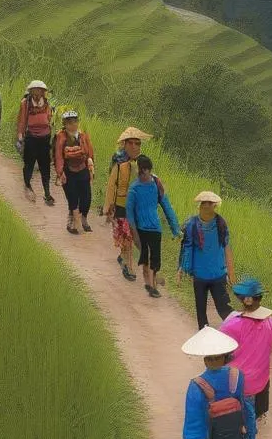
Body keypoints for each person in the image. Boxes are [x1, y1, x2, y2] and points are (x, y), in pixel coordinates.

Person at [219, 277, 272, 439]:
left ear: (241, 300)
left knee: (234, 414)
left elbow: (219, 347)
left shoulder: (232, 323)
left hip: (232, 379)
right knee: (250, 416)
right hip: (256, 383)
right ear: (259, 298)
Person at [178, 191, 235, 329]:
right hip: (200, 275)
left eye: (209, 204)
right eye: (203, 203)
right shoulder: (192, 224)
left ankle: (240, 332)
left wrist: (231, 274)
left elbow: (227, 248)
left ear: (214, 206)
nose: (205, 206)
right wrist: (181, 269)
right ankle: (203, 343)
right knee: (201, 311)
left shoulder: (221, 224)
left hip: (218, 274)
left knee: (224, 309)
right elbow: (187, 247)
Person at [125, 155, 180, 298]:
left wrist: (175, 229)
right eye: (140, 171)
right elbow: (129, 213)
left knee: (155, 258)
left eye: (144, 171)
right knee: (146, 255)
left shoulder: (156, 185)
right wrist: (133, 231)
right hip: (141, 228)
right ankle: (150, 284)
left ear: (148, 170)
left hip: (155, 228)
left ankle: (152, 283)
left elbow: (167, 207)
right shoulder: (134, 189)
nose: (142, 173)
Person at [104, 127, 151, 282]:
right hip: (120, 204)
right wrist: (108, 205)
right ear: (124, 144)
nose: (134, 146)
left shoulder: (143, 161)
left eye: (137, 143)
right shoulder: (118, 160)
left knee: (133, 236)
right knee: (126, 235)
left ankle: (124, 257)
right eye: (130, 143)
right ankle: (128, 266)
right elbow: (111, 184)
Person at [54, 110, 95, 235]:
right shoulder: (61, 137)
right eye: (69, 122)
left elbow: (90, 151)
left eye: (75, 122)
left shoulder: (83, 136)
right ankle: (73, 222)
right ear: (65, 124)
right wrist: (61, 172)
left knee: (86, 197)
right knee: (72, 197)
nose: (73, 125)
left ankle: (83, 218)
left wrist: (91, 164)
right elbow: (58, 156)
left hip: (82, 169)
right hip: (68, 170)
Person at [16, 80, 55, 205]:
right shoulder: (25, 104)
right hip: (31, 137)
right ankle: (27, 184)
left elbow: (49, 118)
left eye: (40, 90)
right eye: (35, 90)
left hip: (44, 138)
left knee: (45, 166)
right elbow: (22, 120)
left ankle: (47, 193)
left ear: (43, 92)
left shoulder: (46, 103)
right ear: (31, 91)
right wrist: (20, 135)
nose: (38, 93)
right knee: (29, 164)